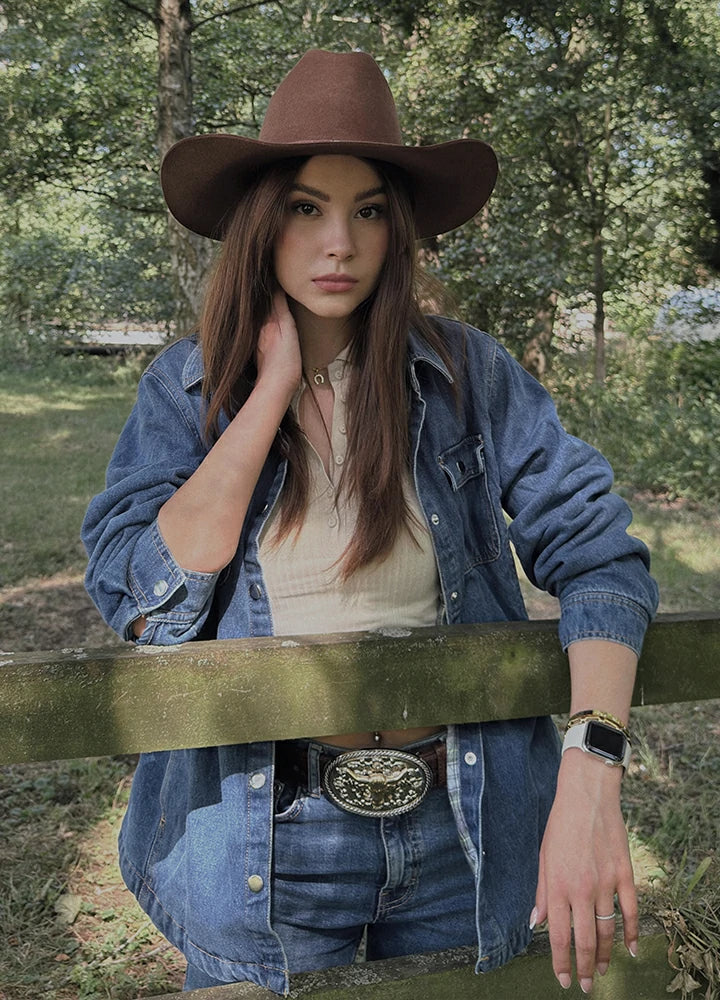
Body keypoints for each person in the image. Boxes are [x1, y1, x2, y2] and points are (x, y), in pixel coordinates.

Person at [82, 49, 659, 996]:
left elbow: (601, 556)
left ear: (400, 232)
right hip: (265, 836)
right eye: (307, 208)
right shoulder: (184, 389)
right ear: (264, 222)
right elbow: (145, 603)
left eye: (369, 210)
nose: (338, 244)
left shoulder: (469, 377)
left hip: (464, 825)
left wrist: (592, 773)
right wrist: (265, 391)